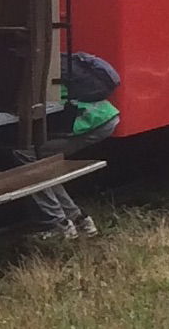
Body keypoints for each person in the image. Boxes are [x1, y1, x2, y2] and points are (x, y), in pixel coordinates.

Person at [26, 53, 120, 239]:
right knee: (43, 163)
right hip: (103, 116)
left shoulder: (41, 72)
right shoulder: (51, 62)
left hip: (92, 121)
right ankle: (78, 219)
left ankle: (58, 223)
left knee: (28, 156)